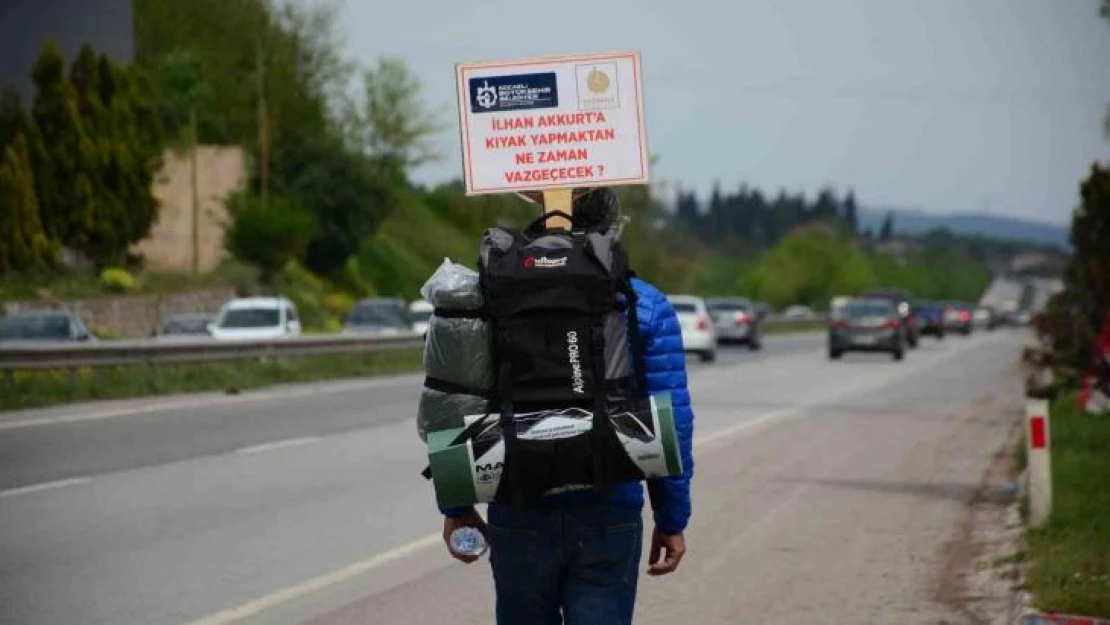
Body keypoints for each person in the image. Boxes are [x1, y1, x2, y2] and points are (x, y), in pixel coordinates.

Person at [438, 188, 696, 625]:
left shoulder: (496, 292)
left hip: (517, 499)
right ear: (614, 226)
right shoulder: (642, 301)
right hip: (609, 503)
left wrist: (458, 509)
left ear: (545, 211)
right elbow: (674, 418)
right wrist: (671, 518)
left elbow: (453, 399)